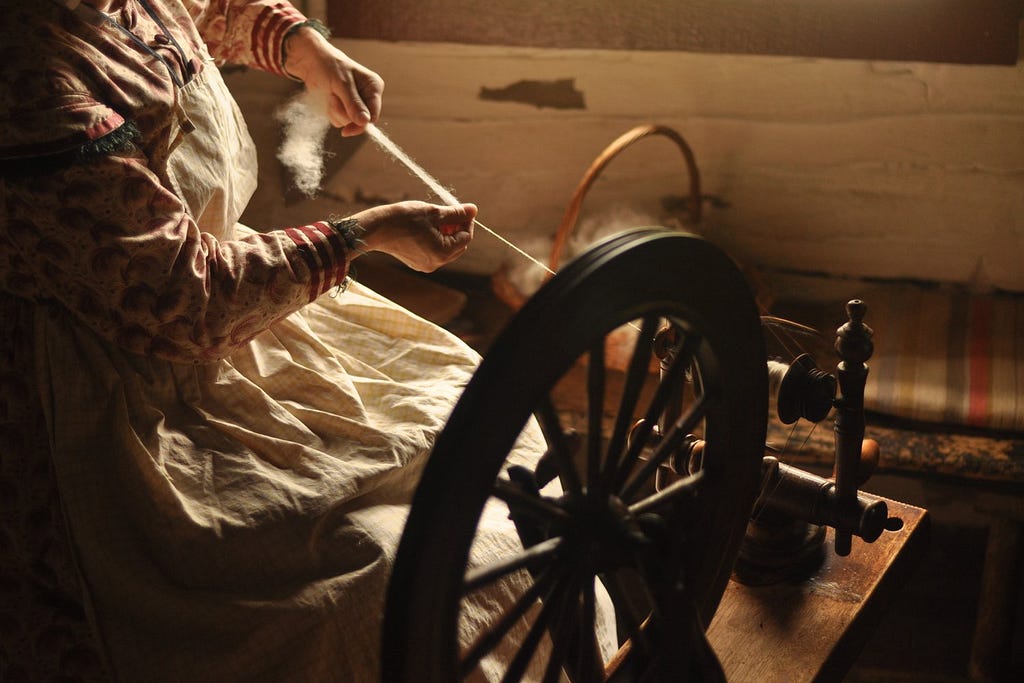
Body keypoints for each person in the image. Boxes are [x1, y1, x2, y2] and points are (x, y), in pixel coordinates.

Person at [1, 1, 571, 680]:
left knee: (481, 423)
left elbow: (208, 8)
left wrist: (307, 50)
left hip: (234, 326)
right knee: (359, 589)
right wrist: (368, 234)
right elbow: (184, 302)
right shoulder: (29, 75)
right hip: (126, 389)